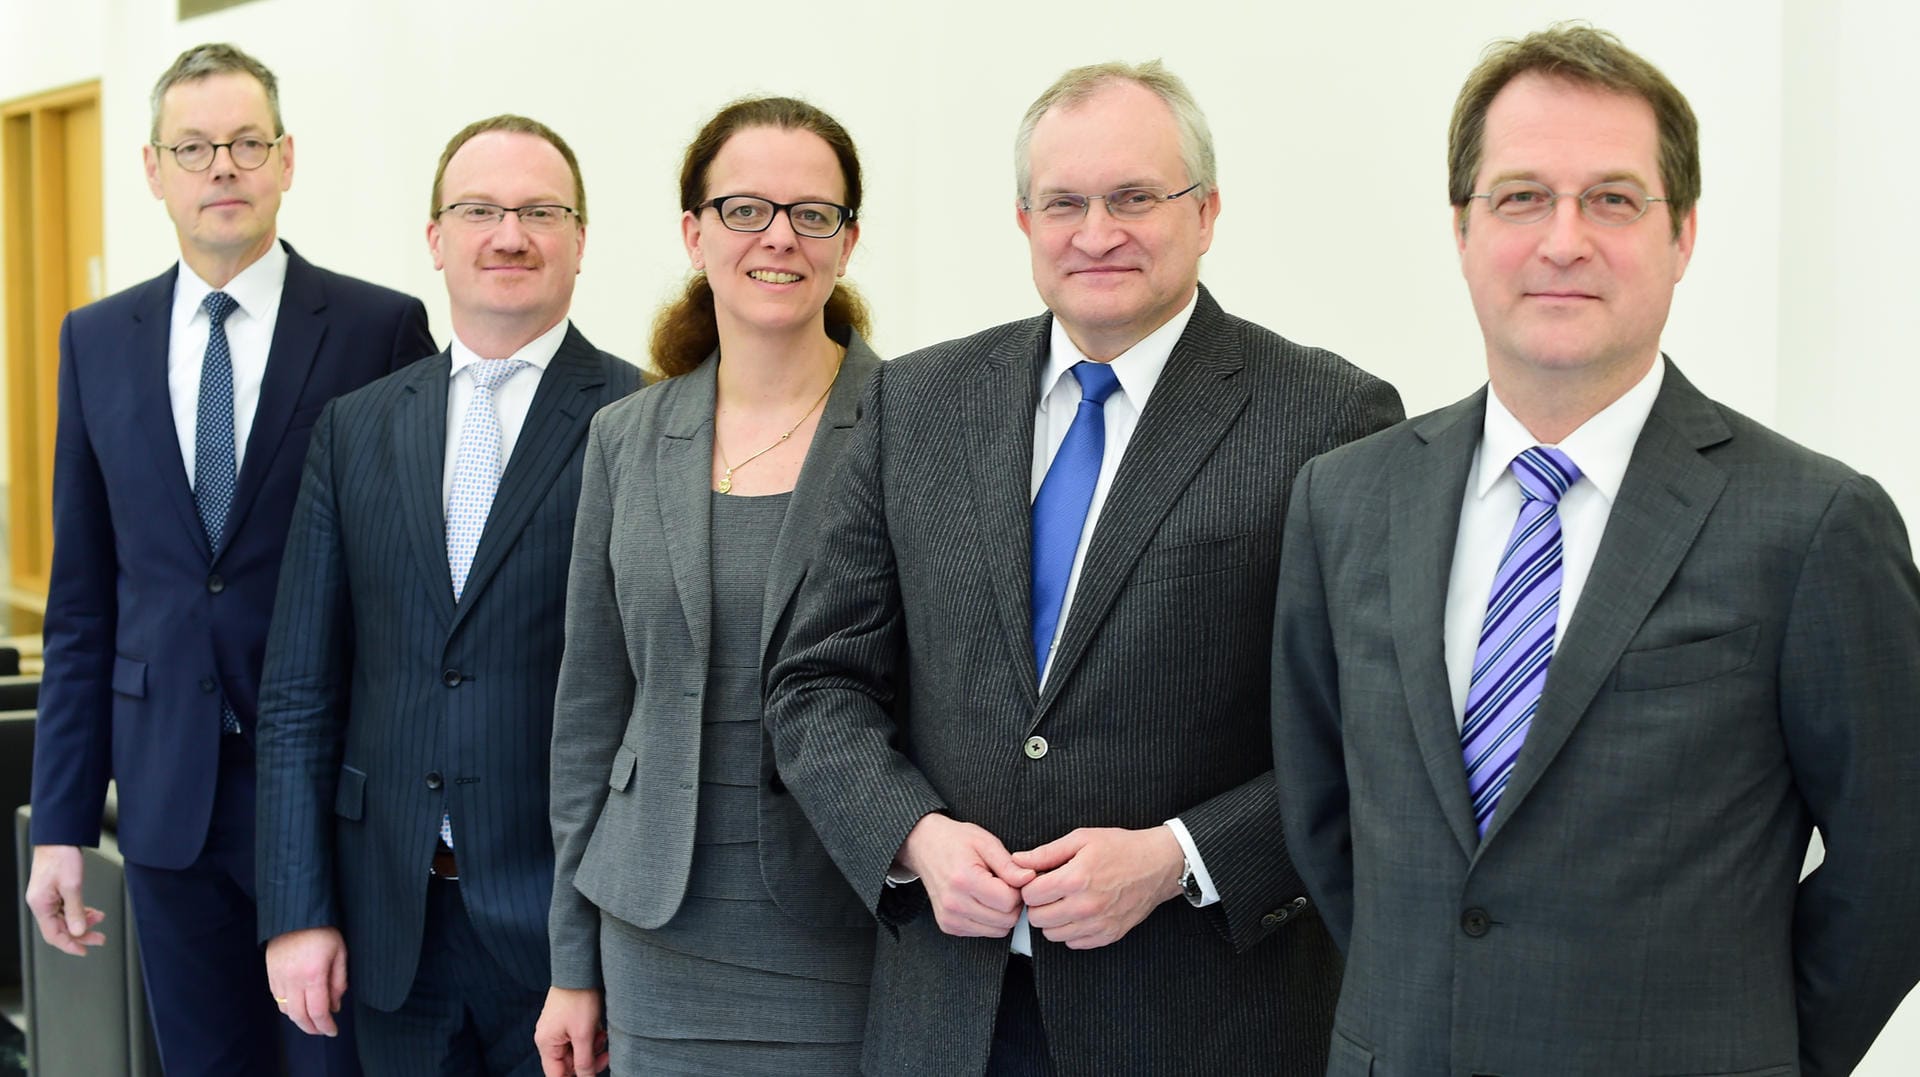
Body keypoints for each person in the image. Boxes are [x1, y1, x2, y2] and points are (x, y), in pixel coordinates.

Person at [1270, 23, 1920, 1077]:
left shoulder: (1814, 525)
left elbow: (1898, 862)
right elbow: (1322, 818)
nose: (1563, 240)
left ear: (1684, 236)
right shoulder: (1345, 500)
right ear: (1464, 230)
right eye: (1522, 197)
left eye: (1613, 199)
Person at [764, 62, 1403, 1076]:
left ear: (1207, 212)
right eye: (1064, 201)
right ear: (1025, 222)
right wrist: (914, 835)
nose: (1096, 231)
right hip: (952, 1013)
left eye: (1136, 197)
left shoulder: (1328, 418)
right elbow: (816, 683)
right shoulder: (914, 404)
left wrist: (1178, 859)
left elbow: (1375, 731)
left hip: (1201, 1016)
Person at [25, 41, 432, 1076]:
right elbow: (82, 607)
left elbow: (416, 588)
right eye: (194, 146)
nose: (223, 167)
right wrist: (60, 824)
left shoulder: (378, 331)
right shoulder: (95, 340)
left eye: (247, 143)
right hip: (166, 808)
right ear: (153, 168)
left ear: (287, 161)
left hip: (333, 800)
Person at [252, 114, 641, 1076]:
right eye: (478, 210)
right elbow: (299, 689)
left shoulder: (643, 422)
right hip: (391, 927)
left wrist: (592, 948)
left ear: (581, 241)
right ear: (435, 239)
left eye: (539, 211)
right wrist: (298, 909)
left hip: (565, 938)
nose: (508, 234)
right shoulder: (356, 429)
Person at [533, 95, 881, 1077]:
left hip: (845, 921)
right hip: (655, 925)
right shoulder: (626, 438)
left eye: (813, 213)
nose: (780, 237)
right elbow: (590, 714)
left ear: (848, 241)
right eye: (745, 209)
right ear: (695, 232)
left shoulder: (913, 425)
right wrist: (572, 962)